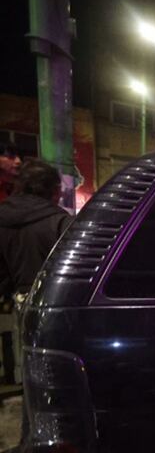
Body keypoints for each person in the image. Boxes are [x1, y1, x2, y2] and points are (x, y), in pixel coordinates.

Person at [0, 159, 73, 394]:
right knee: (58, 377)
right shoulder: (60, 222)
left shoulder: (3, 218)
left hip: (20, 304)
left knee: (30, 377)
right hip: (57, 307)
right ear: (54, 190)